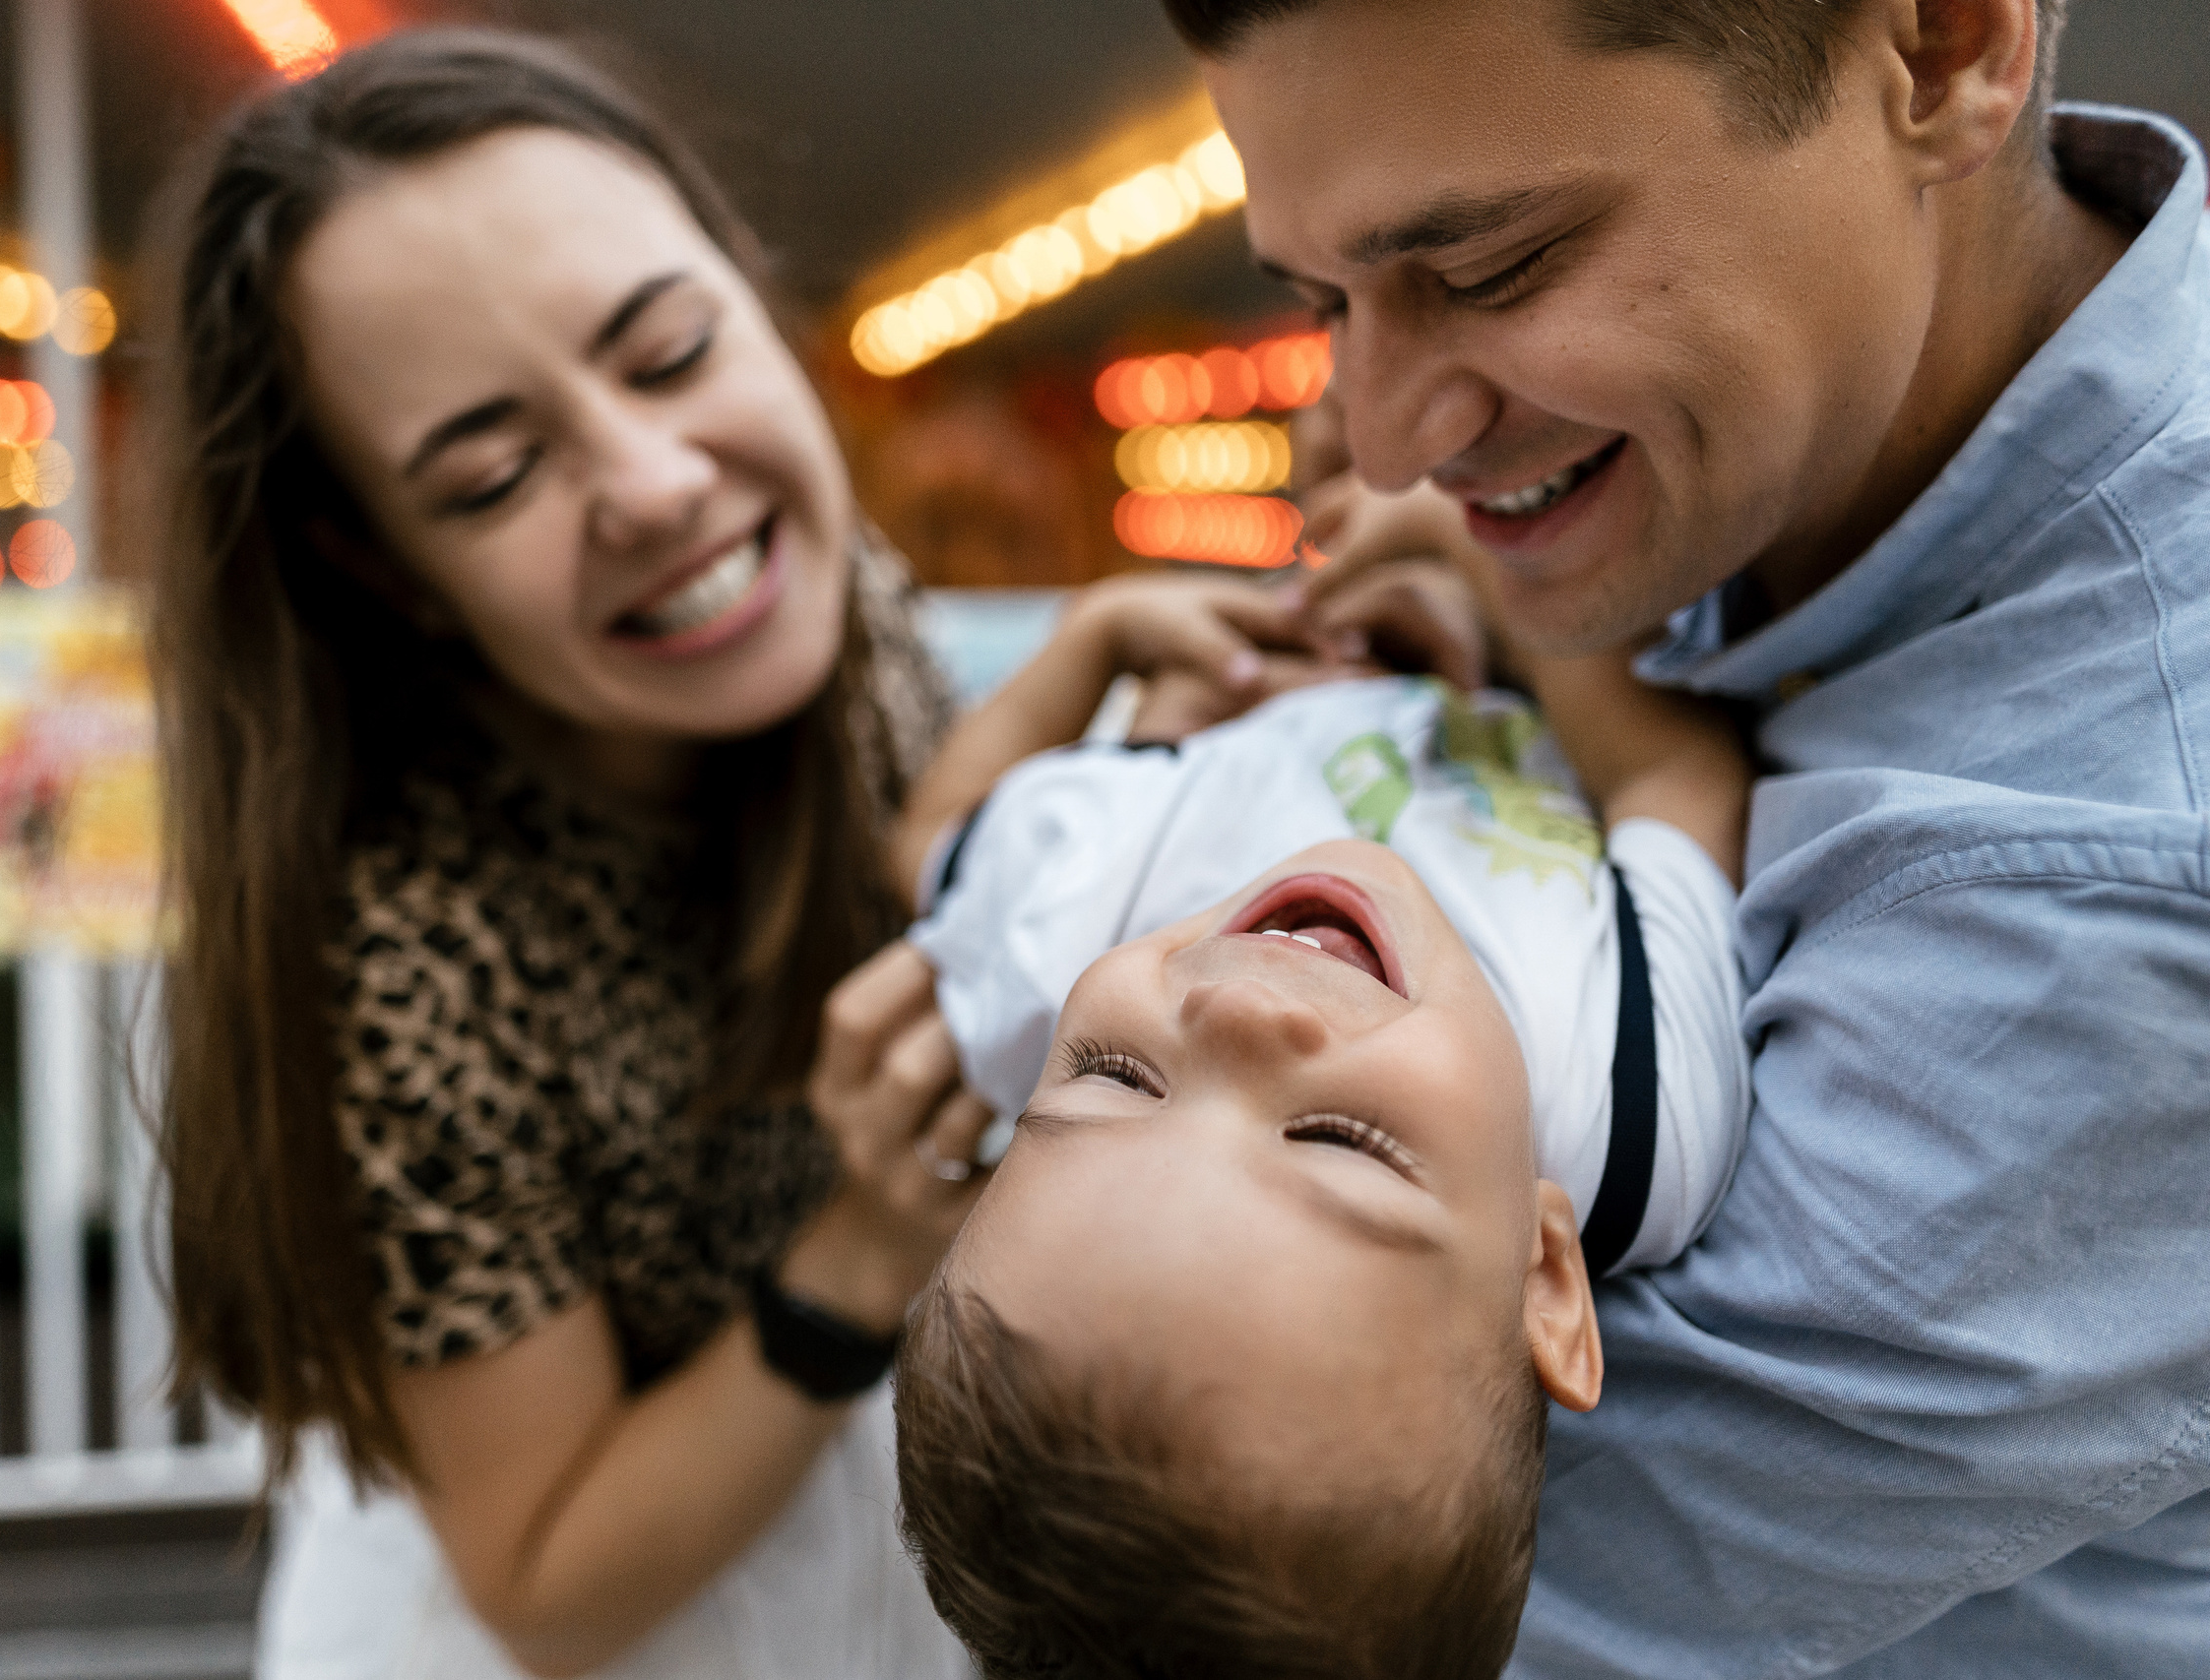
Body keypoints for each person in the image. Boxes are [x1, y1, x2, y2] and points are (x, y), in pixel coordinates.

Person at [140, 29, 1296, 1680]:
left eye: (671, 349)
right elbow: (545, 1582)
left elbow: (912, 867)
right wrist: (869, 1246)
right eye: (492, 471)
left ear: (755, 295)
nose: (658, 484)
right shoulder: (390, 944)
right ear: (379, 564)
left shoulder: (820, 594)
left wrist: (1091, 665)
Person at [1161, 0, 2210, 1673]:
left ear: (1941, 52)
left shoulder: (2126, 855)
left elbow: (1345, 1587)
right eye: (1323, 299)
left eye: (1493, 269)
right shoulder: (1794, 425)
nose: (1382, 440)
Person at [885, 570, 1750, 1674]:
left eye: (1114, 1077)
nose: (1237, 1010)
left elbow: (927, 846)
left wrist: (1092, 641)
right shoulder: (1627, 1118)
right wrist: (1503, 591)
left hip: (1277, 596)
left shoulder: (1047, 951)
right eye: (1339, 1141)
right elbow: (1672, 772)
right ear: (1542, 1274)